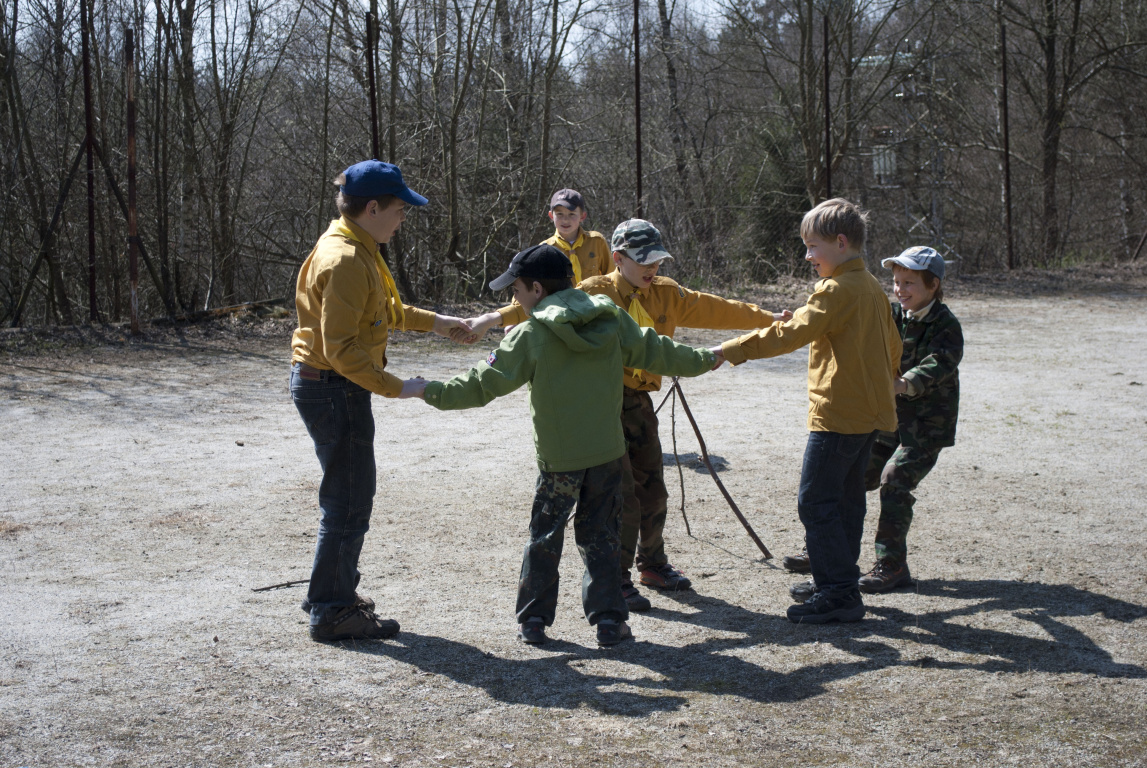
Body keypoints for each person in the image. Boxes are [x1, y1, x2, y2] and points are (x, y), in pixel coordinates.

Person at [399, 244, 718, 646]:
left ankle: (533, 622)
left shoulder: (531, 334)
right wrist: (707, 358)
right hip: (607, 454)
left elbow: (482, 384)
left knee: (544, 537)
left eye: (516, 290)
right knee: (602, 536)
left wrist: (428, 390)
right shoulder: (610, 317)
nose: (515, 299)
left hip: (558, 463)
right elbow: (657, 350)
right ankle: (610, 622)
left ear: (536, 289)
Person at [290, 160, 473, 643]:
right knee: (349, 500)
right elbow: (342, 350)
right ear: (372, 208)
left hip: (332, 384)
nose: (403, 218)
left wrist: (437, 323)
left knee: (347, 495)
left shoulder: (356, 245)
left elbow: (382, 311)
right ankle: (332, 610)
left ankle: (330, 593)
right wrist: (399, 387)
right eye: (399, 209)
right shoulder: (347, 259)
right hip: (334, 385)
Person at [578, 219, 792, 610]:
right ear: (618, 258)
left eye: (657, 260)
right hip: (601, 403)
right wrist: (500, 323)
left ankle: (652, 564)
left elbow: (715, 309)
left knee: (653, 489)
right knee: (620, 495)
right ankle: (615, 578)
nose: (652, 267)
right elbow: (549, 316)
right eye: (643, 260)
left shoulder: (666, 293)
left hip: (639, 404)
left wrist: (767, 318)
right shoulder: (594, 292)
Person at [712, 198, 901, 624]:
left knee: (815, 501)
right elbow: (894, 345)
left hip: (839, 415)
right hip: (869, 415)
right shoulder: (871, 286)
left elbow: (791, 333)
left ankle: (838, 593)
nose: (807, 255)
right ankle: (837, 580)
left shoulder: (836, 290)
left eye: (813, 246)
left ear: (840, 243)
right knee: (846, 500)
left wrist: (731, 349)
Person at [786, 246, 962, 599]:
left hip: (925, 426)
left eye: (909, 283)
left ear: (933, 285)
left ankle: (891, 564)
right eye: (896, 281)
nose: (900, 289)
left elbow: (940, 362)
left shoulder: (945, 324)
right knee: (849, 477)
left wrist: (904, 383)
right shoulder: (891, 313)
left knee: (894, 480)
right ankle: (826, 551)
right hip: (886, 418)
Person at [465, 188, 613, 335]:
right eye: (559, 214)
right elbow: (528, 291)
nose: (565, 220)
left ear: (583, 216)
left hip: (595, 316)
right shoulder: (544, 250)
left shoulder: (597, 242)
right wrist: (514, 321)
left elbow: (612, 280)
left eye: (572, 214)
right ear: (551, 215)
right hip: (561, 320)